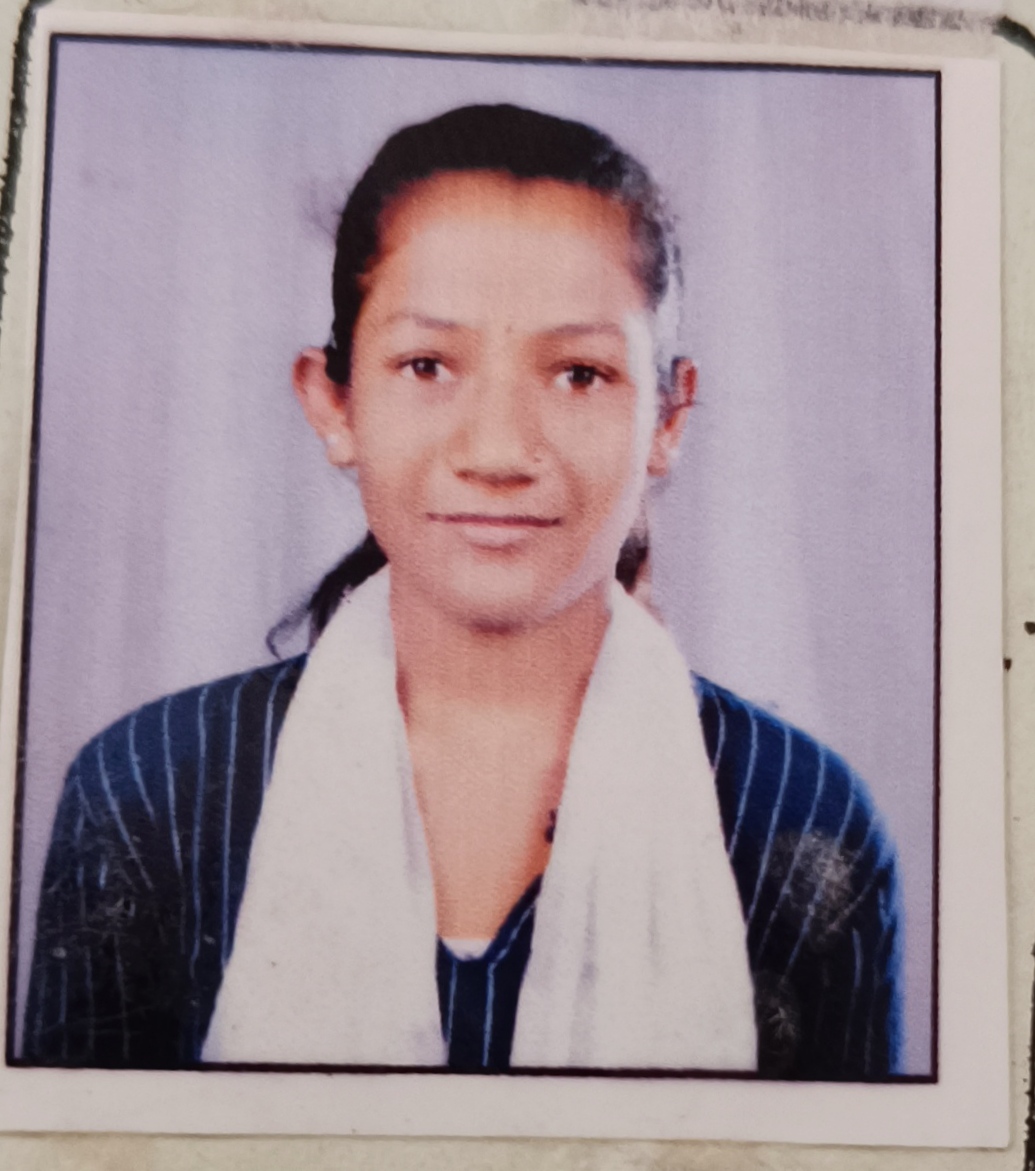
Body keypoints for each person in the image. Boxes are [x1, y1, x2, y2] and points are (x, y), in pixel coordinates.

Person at [23, 103, 902, 1078]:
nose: (497, 450)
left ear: (668, 417)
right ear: (334, 402)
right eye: (428, 364)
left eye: (579, 374)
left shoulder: (803, 818)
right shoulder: (148, 789)